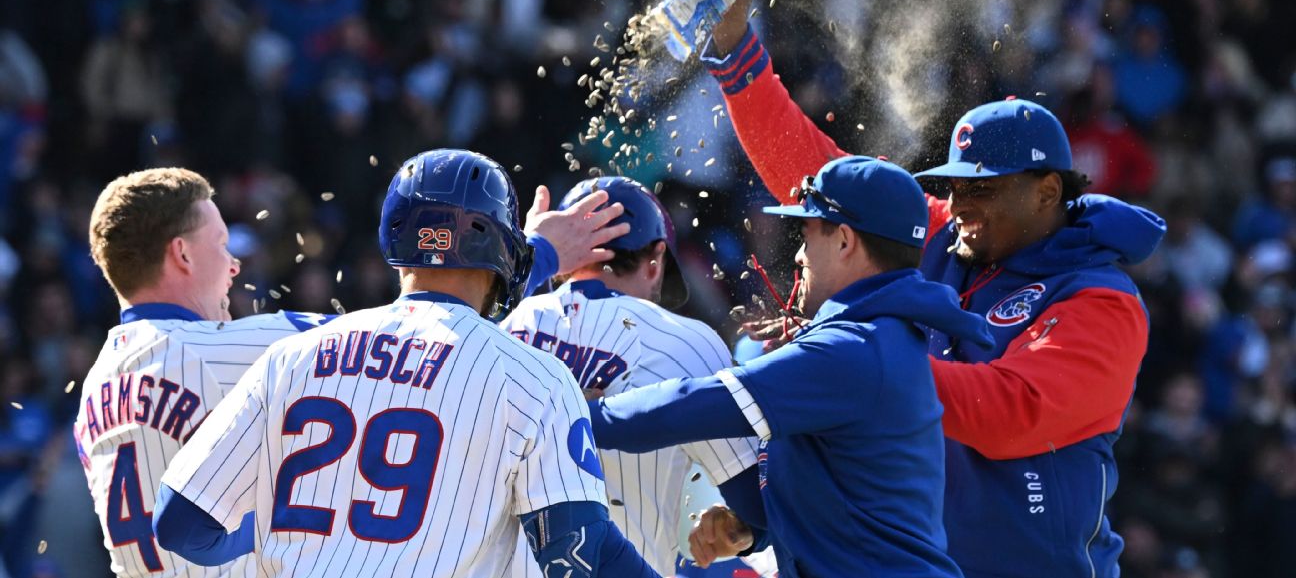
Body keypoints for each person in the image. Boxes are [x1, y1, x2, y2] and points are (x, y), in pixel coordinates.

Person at [698, 0, 1167, 577]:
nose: (960, 203)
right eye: (955, 186)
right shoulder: (946, 235)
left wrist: (863, 365)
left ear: (1047, 192)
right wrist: (736, 53)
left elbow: (1011, 414)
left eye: (982, 188)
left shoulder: (1103, 301)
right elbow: (815, 174)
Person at [76, 165, 631, 578]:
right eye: (222, 244)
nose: (235, 263)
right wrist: (536, 255)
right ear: (182, 254)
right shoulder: (229, 347)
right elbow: (422, 324)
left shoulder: (96, 388)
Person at [589, 156, 994, 578]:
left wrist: (575, 413)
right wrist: (751, 532)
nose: (799, 255)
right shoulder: (882, 335)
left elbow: (691, 406)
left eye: (806, 236)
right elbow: (842, 497)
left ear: (844, 241)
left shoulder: (854, 348)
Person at [504, 176, 761, 577]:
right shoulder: (689, 341)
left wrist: (527, 257)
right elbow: (756, 502)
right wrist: (743, 529)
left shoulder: (499, 325)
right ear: (656, 259)